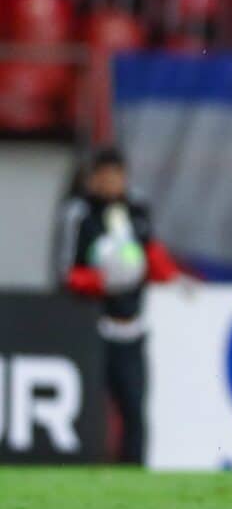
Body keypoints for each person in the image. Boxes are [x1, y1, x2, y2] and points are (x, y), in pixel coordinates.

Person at [59, 147, 188, 465]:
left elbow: (151, 254)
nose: (110, 183)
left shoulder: (137, 209)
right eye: (103, 177)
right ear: (93, 179)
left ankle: (133, 469)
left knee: (134, 407)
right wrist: (103, 282)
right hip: (93, 327)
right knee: (91, 408)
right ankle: (89, 464)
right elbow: (66, 273)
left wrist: (174, 277)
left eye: (115, 176)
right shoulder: (80, 215)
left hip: (132, 327)